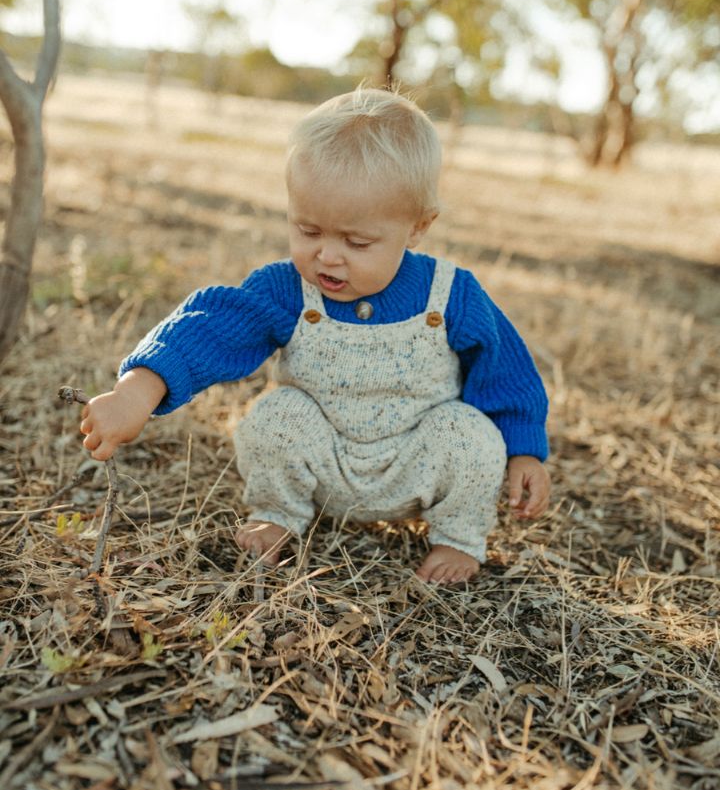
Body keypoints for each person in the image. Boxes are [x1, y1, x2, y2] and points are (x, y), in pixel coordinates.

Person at [79, 87, 551, 585]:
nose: (327, 256)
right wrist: (138, 389)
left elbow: (506, 370)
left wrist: (524, 449)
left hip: (417, 462)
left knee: (470, 433)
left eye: (356, 241)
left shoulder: (450, 294)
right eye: (308, 231)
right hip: (322, 461)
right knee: (274, 416)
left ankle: (457, 537)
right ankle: (278, 515)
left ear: (417, 229)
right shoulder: (286, 289)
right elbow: (209, 328)